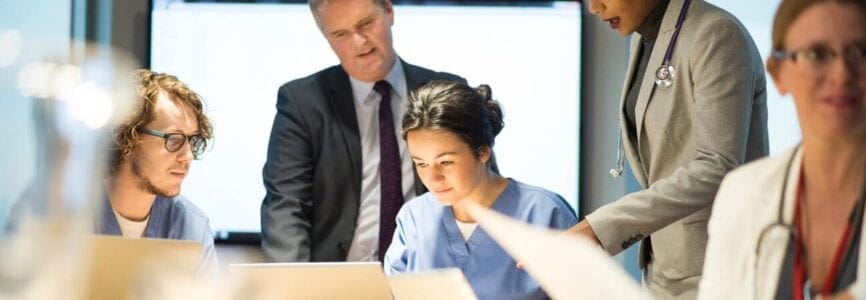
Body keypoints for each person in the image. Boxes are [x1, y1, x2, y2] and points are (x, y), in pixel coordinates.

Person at [569, 0, 769, 298]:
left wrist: (603, 227)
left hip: (718, 266)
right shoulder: (644, 35)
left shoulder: (716, 34)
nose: (594, 7)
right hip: (664, 264)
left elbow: (717, 166)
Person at [260, 0, 466, 262]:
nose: (359, 41)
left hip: (430, 274)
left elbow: (480, 188)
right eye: (341, 34)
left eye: (366, 24)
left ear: (389, 11)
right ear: (326, 37)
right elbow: (286, 204)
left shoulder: (446, 91)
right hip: (338, 280)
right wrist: (293, 286)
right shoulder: (302, 102)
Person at [698, 0, 866, 299]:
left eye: (861, 52)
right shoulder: (742, 194)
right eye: (817, 54)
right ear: (777, 73)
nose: (841, 74)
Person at [384, 81, 577, 300]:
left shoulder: (545, 213)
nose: (432, 178)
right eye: (421, 164)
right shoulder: (415, 218)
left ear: (483, 152)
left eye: (446, 162)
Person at [101, 69, 217, 270]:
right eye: (173, 139)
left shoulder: (192, 228)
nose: (188, 156)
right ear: (127, 137)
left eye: (193, 141)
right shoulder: (67, 217)